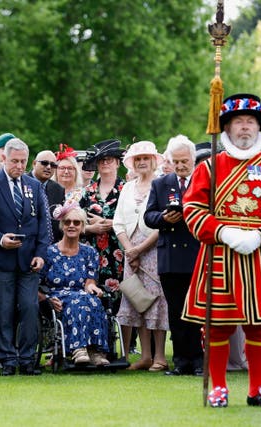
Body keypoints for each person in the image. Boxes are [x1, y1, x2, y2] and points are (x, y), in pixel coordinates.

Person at [182, 93, 261, 408]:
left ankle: (257, 388)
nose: (245, 128)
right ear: (227, 128)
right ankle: (219, 387)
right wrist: (222, 231)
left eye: (250, 122)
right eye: (238, 122)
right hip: (220, 255)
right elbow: (191, 208)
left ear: (258, 128)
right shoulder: (209, 168)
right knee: (218, 323)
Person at [0, 137, 51, 376]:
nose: (19, 166)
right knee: (3, 310)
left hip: (29, 260)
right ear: (4, 158)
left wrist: (40, 254)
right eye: (14, 161)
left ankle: (28, 359)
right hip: (0, 259)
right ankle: (8, 359)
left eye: (23, 162)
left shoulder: (34, 186)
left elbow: (43, 224)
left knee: (30, 308)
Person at [144, 135, 203, 376]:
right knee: (176, 312)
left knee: (198, 311)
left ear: (193, 159)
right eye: (175, 161)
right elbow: (149, 216)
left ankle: (200, 361)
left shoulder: (204, 181)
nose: (180, 166)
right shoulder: (161, 184)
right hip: (170, 257)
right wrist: (164, 219)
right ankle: (181, 362)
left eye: (184, 161)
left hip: (197, 255)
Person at [113, 140, 169, 372]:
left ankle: (160, 356)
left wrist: (140, 249)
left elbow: (163, 223)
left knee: (156, 300)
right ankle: (145, 356)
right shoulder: (127, 187)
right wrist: (129, 250)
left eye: (146, 158)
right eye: (138, 159)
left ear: (154, 161)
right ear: (132, 164)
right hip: (131, 252)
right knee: (138, 301)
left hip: (153, 249)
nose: (142, 162)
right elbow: (118, 222)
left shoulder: (161, 184)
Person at [40, 204, 109, 365]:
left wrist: (93, 288)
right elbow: (36, 284)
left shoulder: (89, 252)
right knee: (79, 301)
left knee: (93, 300)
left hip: (81, 294)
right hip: (57, 295)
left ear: (83, 227)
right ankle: (79, 349)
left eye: (77, 223)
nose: (72, 225)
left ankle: (94, 351)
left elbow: (90, 282)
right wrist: (46, 299)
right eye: (68, 222)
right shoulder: (49, 252)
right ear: (62, 225)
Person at [80, 139, 126, 305]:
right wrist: (92, 228)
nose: (105, 163)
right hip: (91, 256)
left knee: (122, 306)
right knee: (93, 302)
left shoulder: (127, 189)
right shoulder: (87, 192)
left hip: (120, 256)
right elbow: (74, 225)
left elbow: (137, 223)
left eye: (110, 160)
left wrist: (110, 223)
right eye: (102, 160)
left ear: (118, 163)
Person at [28, 150, 64, 242]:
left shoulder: (59, 189)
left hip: (52, 245)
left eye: (53, 165)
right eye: (44, 163)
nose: (48, 167)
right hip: (27, 244)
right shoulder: (22, 183)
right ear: (34, 163)